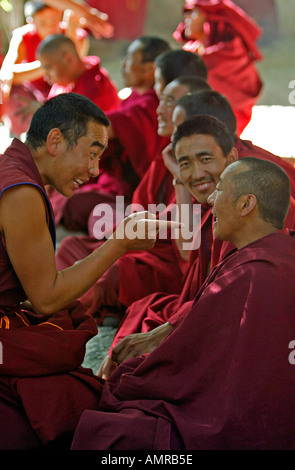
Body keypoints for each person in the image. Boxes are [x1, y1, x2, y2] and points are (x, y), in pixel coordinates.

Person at [72, 157, 295, 450]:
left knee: (111, 430)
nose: (211, 199)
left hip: (245, 423)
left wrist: (134, 375)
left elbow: (196, 366)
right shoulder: (269, 251)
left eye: (220, 190)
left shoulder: (254, 271)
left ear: (245, 205)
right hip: (254, 404)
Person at [0, 92, 180, 450]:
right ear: (55, 141)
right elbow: (46, 297)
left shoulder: (13, 166)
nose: (96, 169)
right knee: (69, 400)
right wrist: (117, 244)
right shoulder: (20, 192)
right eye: (92, 151)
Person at [98, 109, 295, 378]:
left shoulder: (254, 197)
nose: (197, 172)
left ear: (232, 156)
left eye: (205, 159)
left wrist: (171, 328)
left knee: (137, 372)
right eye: (185, 162)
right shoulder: (219, 196)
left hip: (243, 329)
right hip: (203, 301)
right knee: (141, 308)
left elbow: (236, 296)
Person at [55, 76, 212, 325]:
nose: (159, 109)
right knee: (72, 247)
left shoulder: (206, 168)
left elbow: (186, 251)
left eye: (169, 102)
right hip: (147, 247)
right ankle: (87, 302)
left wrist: (179, 179)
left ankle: (63, 305)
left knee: (112, 273)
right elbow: (140, 210)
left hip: (170, 263)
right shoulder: (165, 158)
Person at [49, 35, 171, 233]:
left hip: (136, 191)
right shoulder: (133, 96)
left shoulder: (151, 104)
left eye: (130, 59)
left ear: (150, 69)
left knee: (72, 203)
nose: (123, 65)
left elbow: (105, 126)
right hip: (111, 179)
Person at [0, 1, 90, 136]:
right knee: (11, 92)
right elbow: (8, 74)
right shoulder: (23, 37)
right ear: (32, 23)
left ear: (60, 15)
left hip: (63, 95)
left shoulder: (74, 34)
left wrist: (71, 36)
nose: (51, 28)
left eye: (54, 20)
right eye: (43, 23)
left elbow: (73, 71)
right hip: (33, 96)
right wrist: (51, 63)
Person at [173, 0, 263, 135]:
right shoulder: (191, 49)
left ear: (212, 18)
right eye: (187, 13)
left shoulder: (231, 50)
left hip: (226, 125)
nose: (186, 19)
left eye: (194, 13)